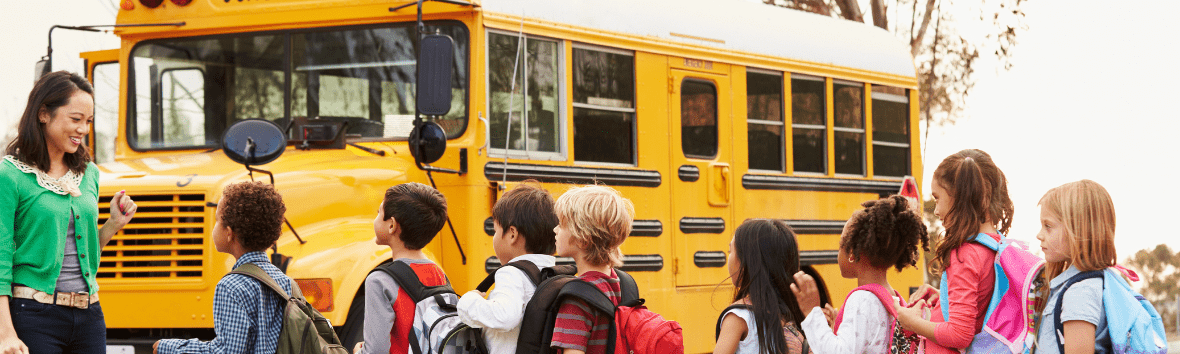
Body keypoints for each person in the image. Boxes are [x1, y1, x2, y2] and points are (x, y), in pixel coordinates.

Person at [1, 70, 137, 354]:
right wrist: (6, 334)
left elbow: (82, 252)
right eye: (76, 119)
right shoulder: (10, 175)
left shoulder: (89, 174)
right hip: (34, 316)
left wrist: (112, 225)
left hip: (89, 315)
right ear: (43, 114)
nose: (83, 129)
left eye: (88, 121)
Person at [892, 149, 1013, 354]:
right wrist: (945, 297)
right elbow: (980, 304)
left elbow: (960, 334)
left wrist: (911, 322)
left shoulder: (965, 254)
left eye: (937, 198)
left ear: (960, 197)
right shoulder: (995, 245)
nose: (936, 210)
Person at [153, 181, 290, 353]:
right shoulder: (284, 282)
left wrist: (169, 348)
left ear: (229, 233)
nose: (214, 226)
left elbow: (226, 351)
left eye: (217, 220)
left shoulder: (231, 287)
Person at [791, 196, 930, 354]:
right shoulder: (894, 299)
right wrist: (836, 327)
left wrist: (811, 312)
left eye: (840, 245)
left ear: (852, 253)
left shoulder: (862, 299)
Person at [458, 183, 558, 354]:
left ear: (512, 234)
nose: (494, 237)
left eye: (495, 231)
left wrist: (468, 301)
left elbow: (504, 316)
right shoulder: (552, 273)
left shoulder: (512, 273)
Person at [354, 182, 450, 354]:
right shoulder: (439, 273)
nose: (375, 218)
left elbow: (375, 351)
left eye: (378, 213)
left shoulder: (380, 280)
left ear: (391, 225)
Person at [1034, 180, 1117, 354]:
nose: (1039, 235)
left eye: (1048, 226)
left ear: (1078, 230)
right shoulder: (1088, 284)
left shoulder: (1080, 293)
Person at [548, 185, 633, 354]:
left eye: (561, 225)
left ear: (582, 239)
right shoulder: (623, 284)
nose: (555, 230)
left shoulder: (576, 299)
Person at [714, 219, 810, 354]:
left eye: (730, 251)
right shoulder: (790, 314)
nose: (728, 258)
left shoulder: (738, 317)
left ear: (748, 262)